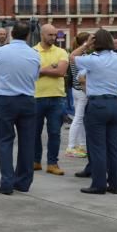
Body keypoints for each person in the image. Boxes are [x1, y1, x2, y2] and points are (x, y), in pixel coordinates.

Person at [70, 30, 117, 195]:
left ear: (95, 42)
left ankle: (98, 184)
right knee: (114, 147)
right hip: (115, 103)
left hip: (97, 104)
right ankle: (114, 184)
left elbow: (72, 57)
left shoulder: (93, 60)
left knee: (97, 147)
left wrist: (86, 44)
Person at [0, 21, 41, 195]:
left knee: (4, 141)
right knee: (27, 142)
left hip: (6, 99)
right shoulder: (34, 54)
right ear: (28, 36)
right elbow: (35, 76)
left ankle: (7, 182)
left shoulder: (0, 51)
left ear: (11, 34)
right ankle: (24, 182)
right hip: (28, 100)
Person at [32, 23, 69, 176]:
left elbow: (61, 71)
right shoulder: (32, 52)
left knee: (55, 132)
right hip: (36, 97)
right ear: (42, 35)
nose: (54, 38)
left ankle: (52, 163)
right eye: (50, 35)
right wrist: (50, 67)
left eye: (55, 35)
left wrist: (42, 69)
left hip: (57, 97)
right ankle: (35, 161)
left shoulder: (61, 51)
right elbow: (31, 72)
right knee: (34, 132)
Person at [64, 32, 91, 159]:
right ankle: (71, 147)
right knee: (78, 119)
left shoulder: (77, 54)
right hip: (82, 90)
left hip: (76, 89)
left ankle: (81, 145)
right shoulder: (83, 55)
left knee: (79, 118)